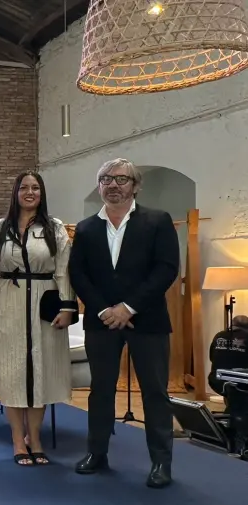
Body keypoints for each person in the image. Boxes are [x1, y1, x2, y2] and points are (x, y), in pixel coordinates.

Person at [69, 158, 180, 488]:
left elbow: (166, 268)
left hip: (147, 320)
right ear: (99, 186)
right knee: (100, 391)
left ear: (136, 186)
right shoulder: (86, 228)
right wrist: (105, 309)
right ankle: (97, 453)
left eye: (121, 179)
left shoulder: (157, 221)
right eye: (106, 179)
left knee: (155, 392)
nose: (113, 185)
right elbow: (79, 274)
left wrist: (128, 308)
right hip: (101, 321)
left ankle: (161, 462)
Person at [0, 172, 76, 466]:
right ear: (16, 192)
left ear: (42, 193)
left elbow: (64, 269)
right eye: (24, 187)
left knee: (40, 372)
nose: (30, 192)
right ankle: (17, 440)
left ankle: (35, 438)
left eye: (35, 187)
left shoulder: (54, 227)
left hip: (44, 303)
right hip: (7, 302)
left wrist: (67, 306)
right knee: (13, 373)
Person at [206, 315, 248, 459]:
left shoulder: (219, 336)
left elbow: (212, 357)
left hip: (217, 380)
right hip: (240, 382)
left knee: (234, 395)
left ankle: (231, 419)